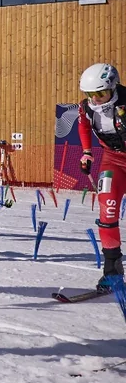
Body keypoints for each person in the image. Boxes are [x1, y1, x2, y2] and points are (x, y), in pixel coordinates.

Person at [76, 63, 126, 294]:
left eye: (101, 93)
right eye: (90, 94)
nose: (95, 99)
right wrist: (87, 152)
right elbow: (84, 126)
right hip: (113, 161)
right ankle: (112, 273)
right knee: (108, 211)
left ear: (113, 87)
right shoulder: (86, 107)